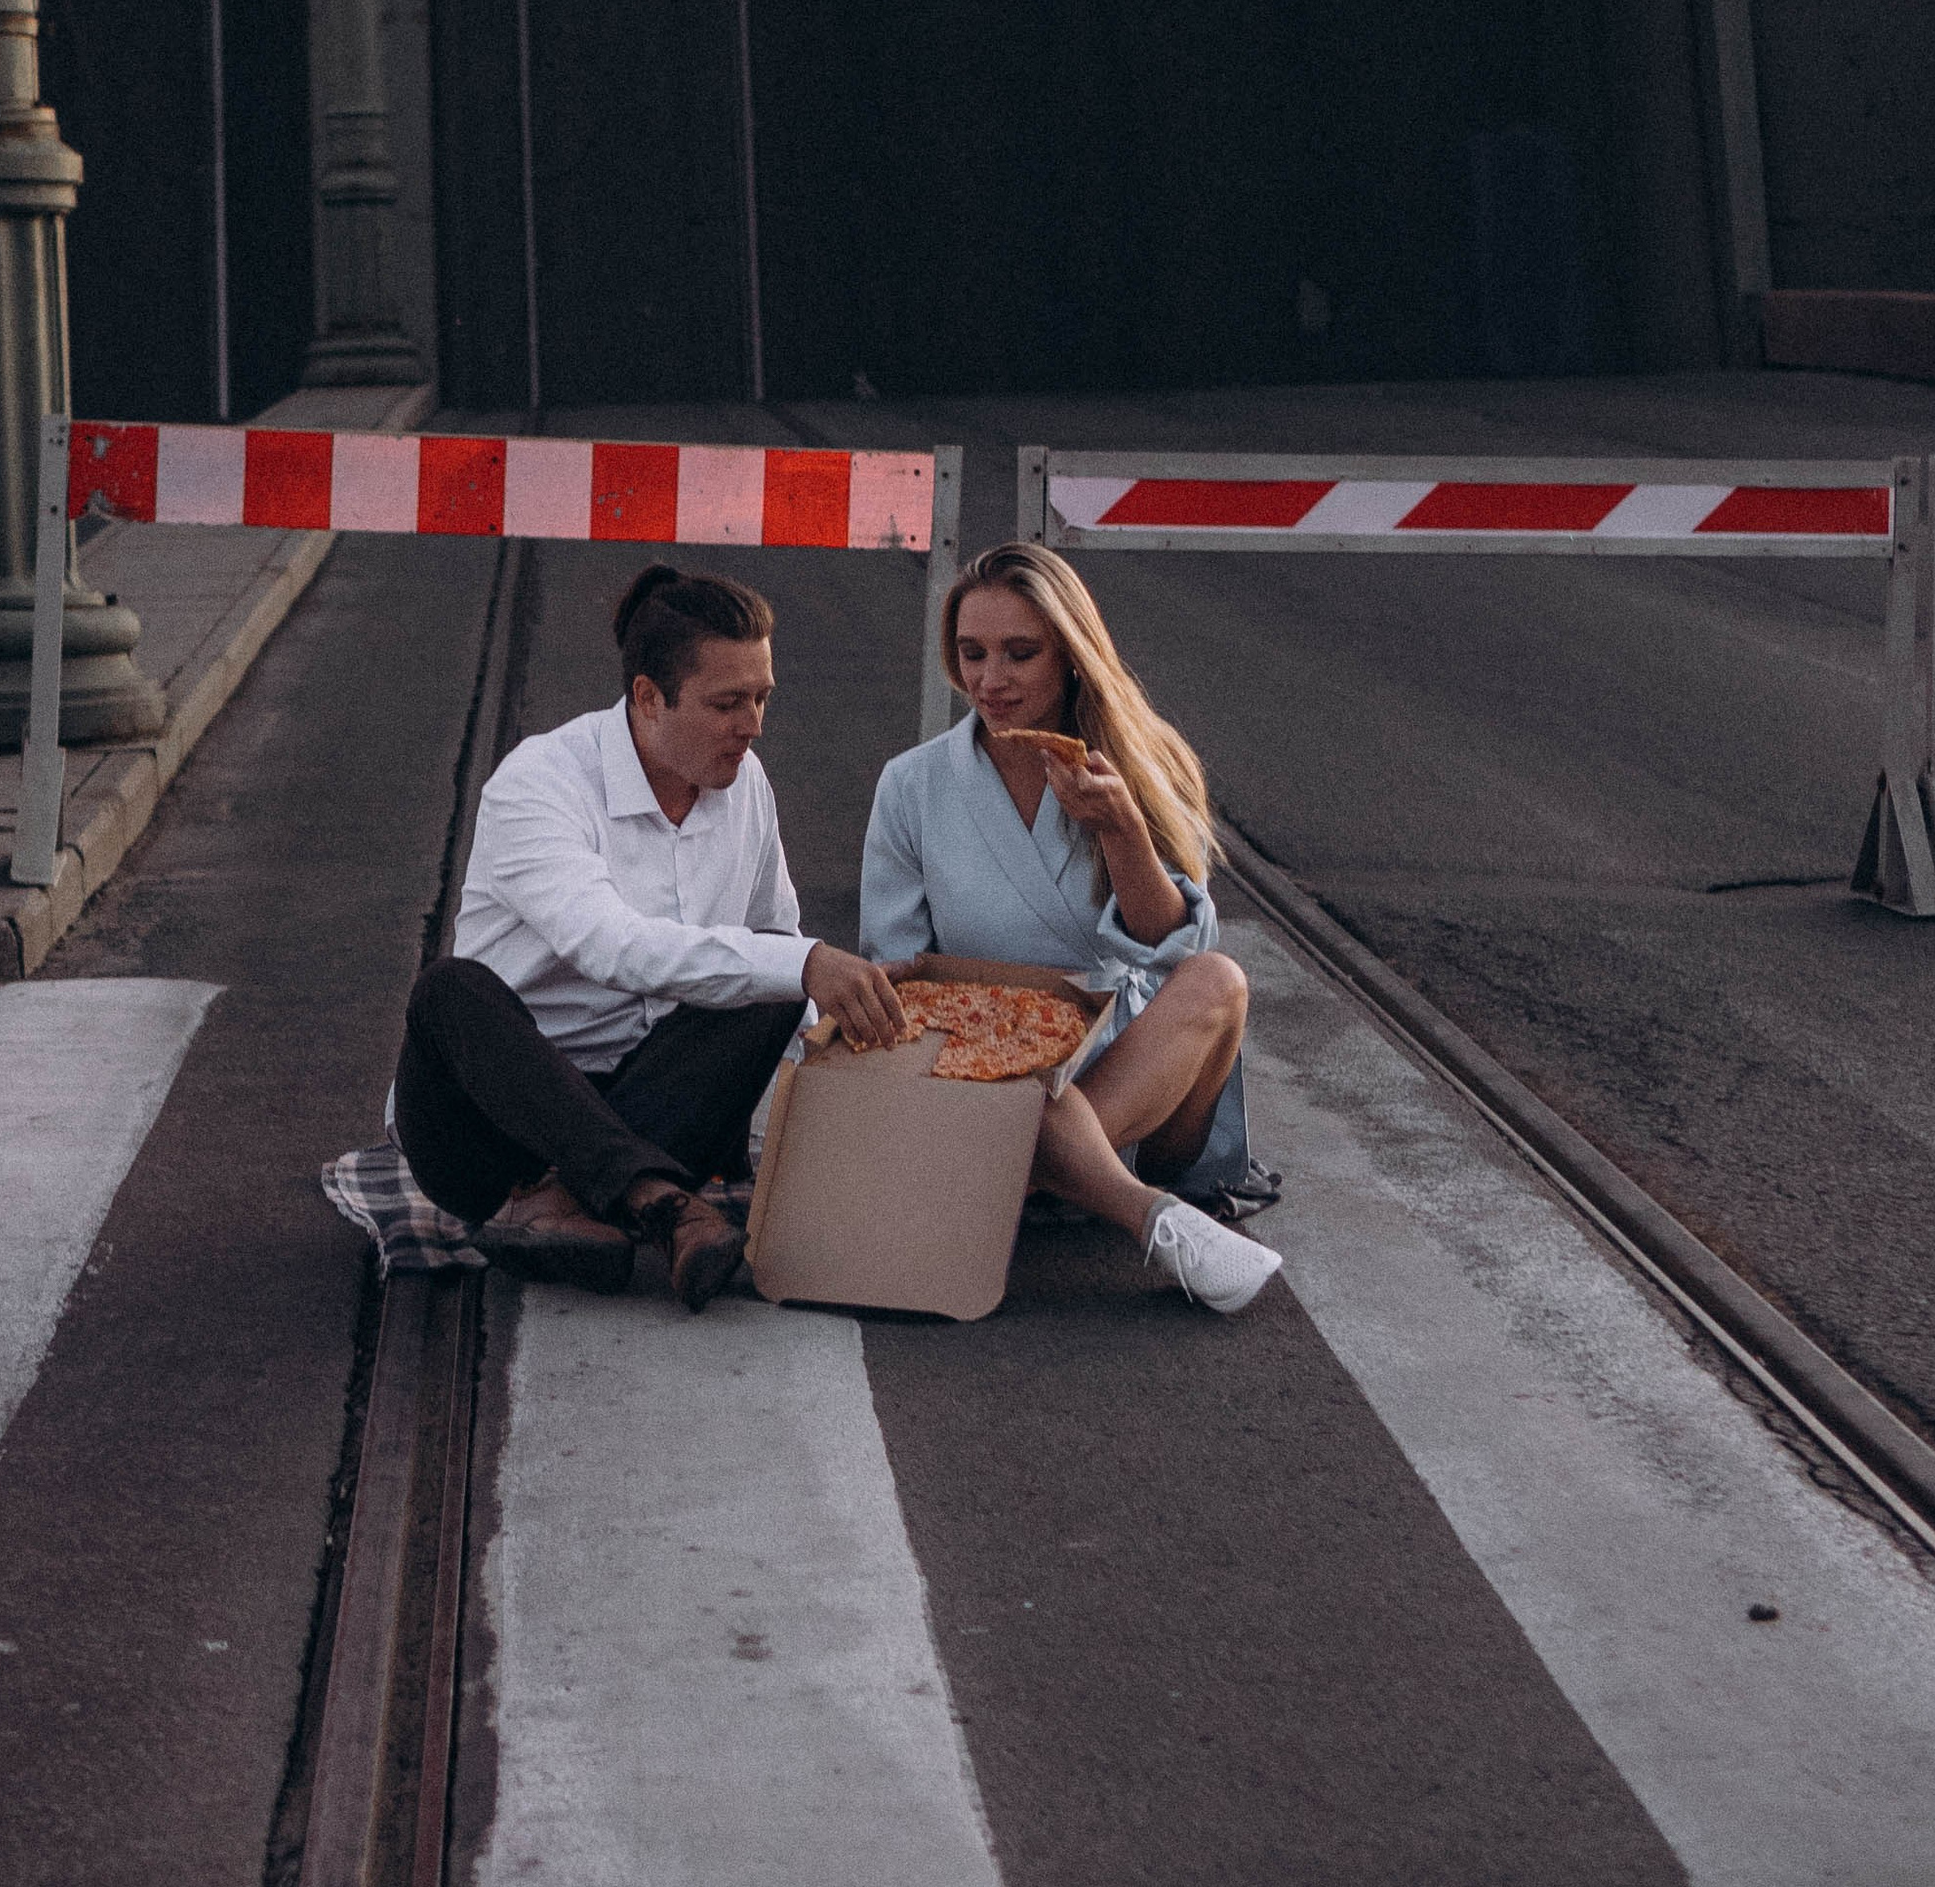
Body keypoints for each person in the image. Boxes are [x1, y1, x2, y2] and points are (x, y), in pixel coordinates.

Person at [397, 564, 907, 1312]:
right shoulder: (538, 783)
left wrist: (830, 1117)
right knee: (448, 990)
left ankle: (579, 1206)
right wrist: (802, 963)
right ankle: (656, 1205)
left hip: (654, 1113)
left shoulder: (747, 782)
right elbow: (613, 948)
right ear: (647, 698)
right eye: (727, 703)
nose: (753, 726)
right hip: (497, 1127)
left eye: (762, 698)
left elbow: (775, 943)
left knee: (771, 982)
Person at [859, 541, 1282, 1316]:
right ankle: (1146, 1216)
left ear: (1072, 656)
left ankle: (1022, 1179)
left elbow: (1177, 951)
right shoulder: (913, 783)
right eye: (972, 653)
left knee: (1219, 979)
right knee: (1027, 1094)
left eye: (1021, 653)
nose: (991, 680)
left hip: (1132, 1081)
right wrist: (1002, 1038)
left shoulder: (1141, 765)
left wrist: (1122, 831)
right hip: (981, 1070)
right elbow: (896, 968)